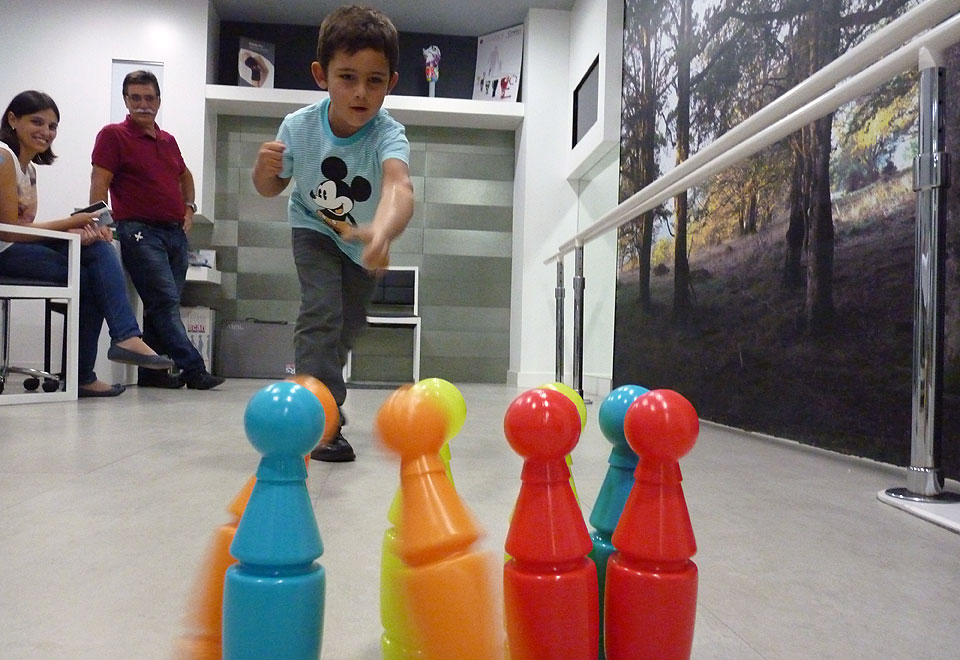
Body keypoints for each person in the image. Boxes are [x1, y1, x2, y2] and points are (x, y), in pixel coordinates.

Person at [252, 5, 414, 462]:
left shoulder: (389, 133)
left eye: (375, 80)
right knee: (322, 310)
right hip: (313, 227)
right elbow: (271, 188)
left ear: (391, 83)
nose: (361, 92)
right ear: (322, 76)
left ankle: (324, 388)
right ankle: (318, 415)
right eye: (347, 77)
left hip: (361, 242)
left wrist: (381, 231)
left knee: (348, 324)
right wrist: (261, 171)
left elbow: (399, 185)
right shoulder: (298, 126)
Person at [0, 90, 175, 397]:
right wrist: (72, 224)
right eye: (37, 122)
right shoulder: (3, 156)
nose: (46, 132)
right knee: (91, 274)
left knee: (96, 248)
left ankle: (107, 353)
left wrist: (77, 233)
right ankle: (108, 352)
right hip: (5, 250)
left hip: (14, 247)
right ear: (12, 120)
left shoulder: (28, 168)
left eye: (52, 126)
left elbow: (25, 230)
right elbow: (9, 231)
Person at [89, 70, 224, 391]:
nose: (143, 104)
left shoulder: (168, 140)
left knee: (162, 305)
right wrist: (101, 223)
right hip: (138, 232)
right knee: (164, 302)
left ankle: (152, 373)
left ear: (158, 101)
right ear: (126, 100)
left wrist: (189, 207)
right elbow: (99, 183)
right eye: (135, 98)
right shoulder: (113, 135)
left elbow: (185, 176)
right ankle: (194, 369)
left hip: (174, 233)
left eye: (149, 98)